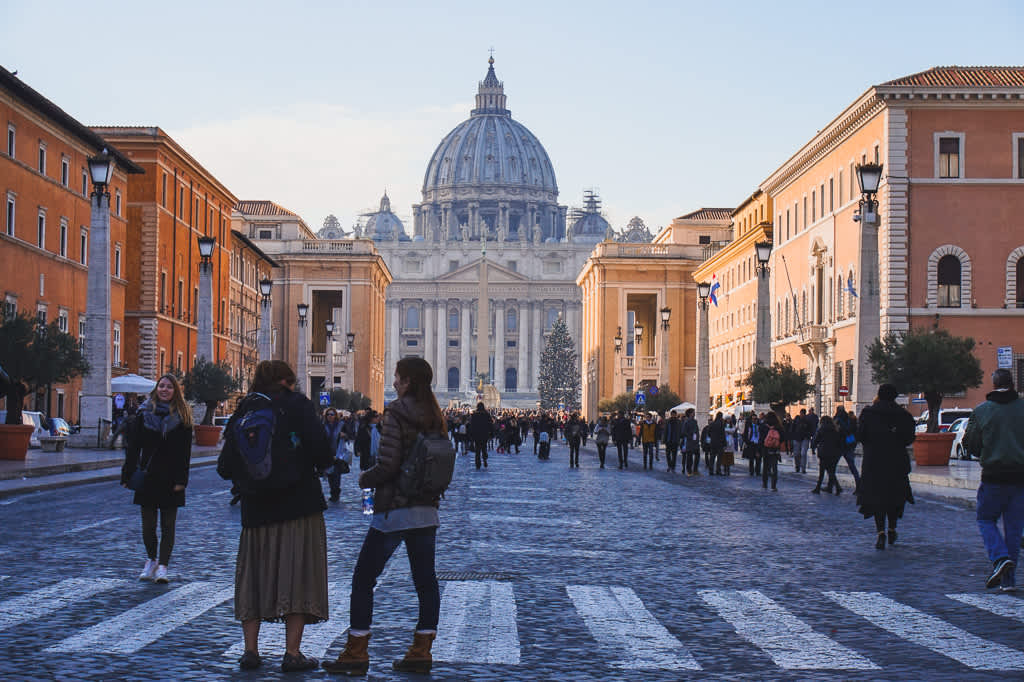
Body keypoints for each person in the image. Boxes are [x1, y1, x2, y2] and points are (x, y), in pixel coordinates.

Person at [323, 357, 445, 675]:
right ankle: (421, 650)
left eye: (398, 377)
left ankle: (356, 651)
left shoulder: (397, 413)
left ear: (408, 382)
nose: (394, 382)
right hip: (427, 510)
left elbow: (388, 465)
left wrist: (366, 478)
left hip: (395, 509)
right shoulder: (436, 415)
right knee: (426, 583)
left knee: (364, 579)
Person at [217, 360, 332, 672]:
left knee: (252, 577)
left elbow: (224, 466)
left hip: (255, 510)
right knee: (298, 577)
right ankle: (292, 653)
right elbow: (323, 452)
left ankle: (251, 651)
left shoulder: (244, 411)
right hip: (299, 506)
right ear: (288, 381)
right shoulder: (299, 405)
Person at [121, 374, 193, 585]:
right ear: (156, 389)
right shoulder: (143, 415)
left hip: (172, 477)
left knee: (168, 526)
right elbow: (133, 448)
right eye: (161, 386)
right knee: (148, 526)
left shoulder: (183, 417)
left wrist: (182, 479)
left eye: (169, 387)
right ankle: (151, 559)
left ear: (175, 391)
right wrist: (127, 475)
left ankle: (163, 566)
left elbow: (185, 453)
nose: (164, 390)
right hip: (149, 477)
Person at [965, 368, 1024, 591]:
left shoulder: (982, 411)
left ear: (993, 383)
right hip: (1020, 477)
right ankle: (1009, 581)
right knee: (1014, 529)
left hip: (993, 476)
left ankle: (999, 558)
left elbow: (971, 444)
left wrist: (985, 452)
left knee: (985, 519)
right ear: (1013, 383)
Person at [855, 384, 916, 551]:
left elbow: (860, 436)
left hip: (874, 462)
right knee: (894, 497)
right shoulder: (903, 415)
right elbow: (910, 438)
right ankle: (892, 528)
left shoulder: (868, 414)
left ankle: (880, 531)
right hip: (896, 462)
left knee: (877, 498)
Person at [810, 415, 843, 495]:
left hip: (824, 453)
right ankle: (833, 488)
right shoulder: (836, 429)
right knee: (831, 471)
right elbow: (840, 441)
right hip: (834, 453)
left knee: (822, 472)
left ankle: (818, 488)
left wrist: (813, 447)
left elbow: (816, 440)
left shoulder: (822, 429)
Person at [835, 405, 862, 492]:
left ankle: (834, 486)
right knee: (852, 466)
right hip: (849, 445)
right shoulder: (850, 419)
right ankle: (858, 485)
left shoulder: (837, 419)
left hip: (840, 445)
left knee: (832, 467)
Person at [322, 408, 344, 502]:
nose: (330, 416)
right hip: (327, 454)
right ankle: (333, 491)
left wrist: (345, 435)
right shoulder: (323, 426)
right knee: (330, 474)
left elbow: (351, 434)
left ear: (335, 416)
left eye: (332, 414)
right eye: (328, 414)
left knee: (337, 474)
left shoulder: (341, 425)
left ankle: (336, 492)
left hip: (338, 452)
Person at [759, 412, 784, 491]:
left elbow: (761, 438)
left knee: (765, 467)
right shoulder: (778, 427)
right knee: (774, 467)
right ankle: (774, 485)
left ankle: (765, 483)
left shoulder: (764, 426)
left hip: (766, 448)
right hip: (775, 449)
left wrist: (759, 449)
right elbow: (783, 437)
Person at [468, 402, 493, 469]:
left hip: (476, 434)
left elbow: (471, 426)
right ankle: (484, 459)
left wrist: (471, 435)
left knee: (477, 449)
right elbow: (490, 424)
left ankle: (478, 463)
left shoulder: (474, 415)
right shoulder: (487, 415)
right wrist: (491, 433)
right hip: (484, 434)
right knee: (484, 447)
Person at [682, 408, 700, 475]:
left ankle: (695, 470)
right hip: (689, 442)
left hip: (695, 442)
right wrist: (690, 436)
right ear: (690, 414)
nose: (694, 413)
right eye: (693, 412)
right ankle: (689, 471)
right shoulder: (686, 422)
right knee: (689, 457)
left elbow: (697, 430)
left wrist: (697, 437)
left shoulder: (695, 421)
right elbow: (684, 432)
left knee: (697, 455)